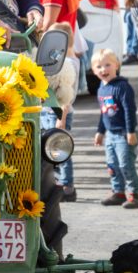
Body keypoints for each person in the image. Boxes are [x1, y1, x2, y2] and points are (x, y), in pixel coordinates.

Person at [92, 48, 138, 209]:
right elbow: (104, 113)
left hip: (123, 134)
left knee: (125, 164)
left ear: (117, 65)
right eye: (99, 67)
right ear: (94, 71)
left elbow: (129, 110)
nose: (103, 70)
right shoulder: (101, 88)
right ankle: (118, 192)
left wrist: (131, 131)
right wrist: (100, 132)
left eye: (107, 65)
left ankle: (135, 194)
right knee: (112, 165)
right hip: (110, 135)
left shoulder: (122, 87)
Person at [43, 21, 80, 201]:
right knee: (51, 150)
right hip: (47, 112)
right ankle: (56, 182)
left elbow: (66, 95)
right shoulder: (63, 60)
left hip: (58, 112)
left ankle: (67, 186)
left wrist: (61, 118)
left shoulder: (68, 63)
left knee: (61, 150)